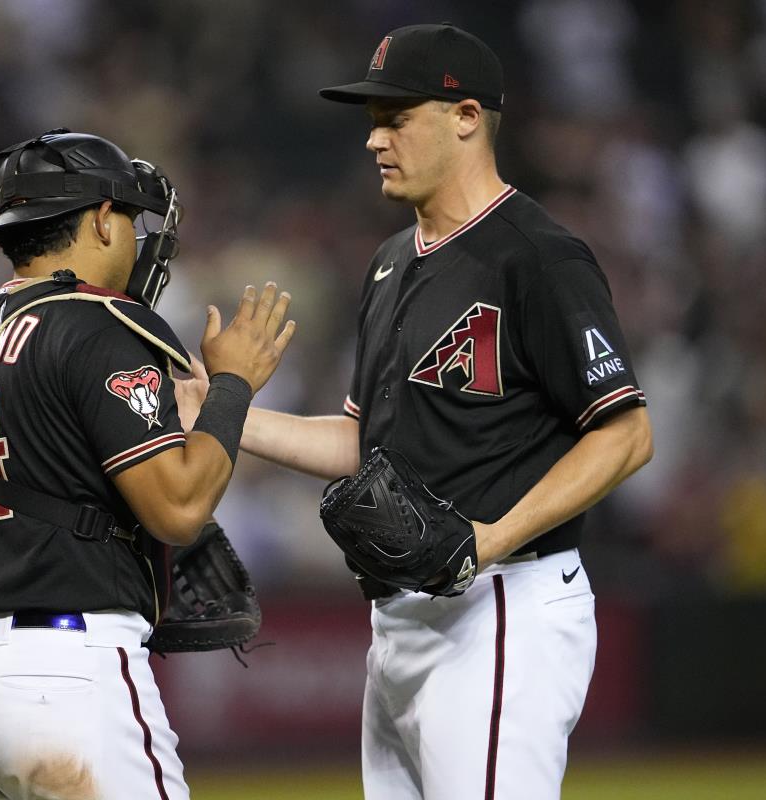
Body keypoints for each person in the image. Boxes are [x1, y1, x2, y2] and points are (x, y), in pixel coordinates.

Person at [176, 23, 653, 800]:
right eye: (373, 120)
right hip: (400, 623)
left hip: (502, 608)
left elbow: (627, 433)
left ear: (466, 118)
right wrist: (223, 413)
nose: (374, 139)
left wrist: (490, 538)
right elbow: (365, 441)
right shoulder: (392, 261)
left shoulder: (538, 256)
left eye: (396, 116)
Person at [0, 129, 294, 800]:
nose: (137, 237)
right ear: (103, 219)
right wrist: (233, 386)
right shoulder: (100, 324)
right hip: (61, 677)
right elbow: (179, 508)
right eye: (131, 218)